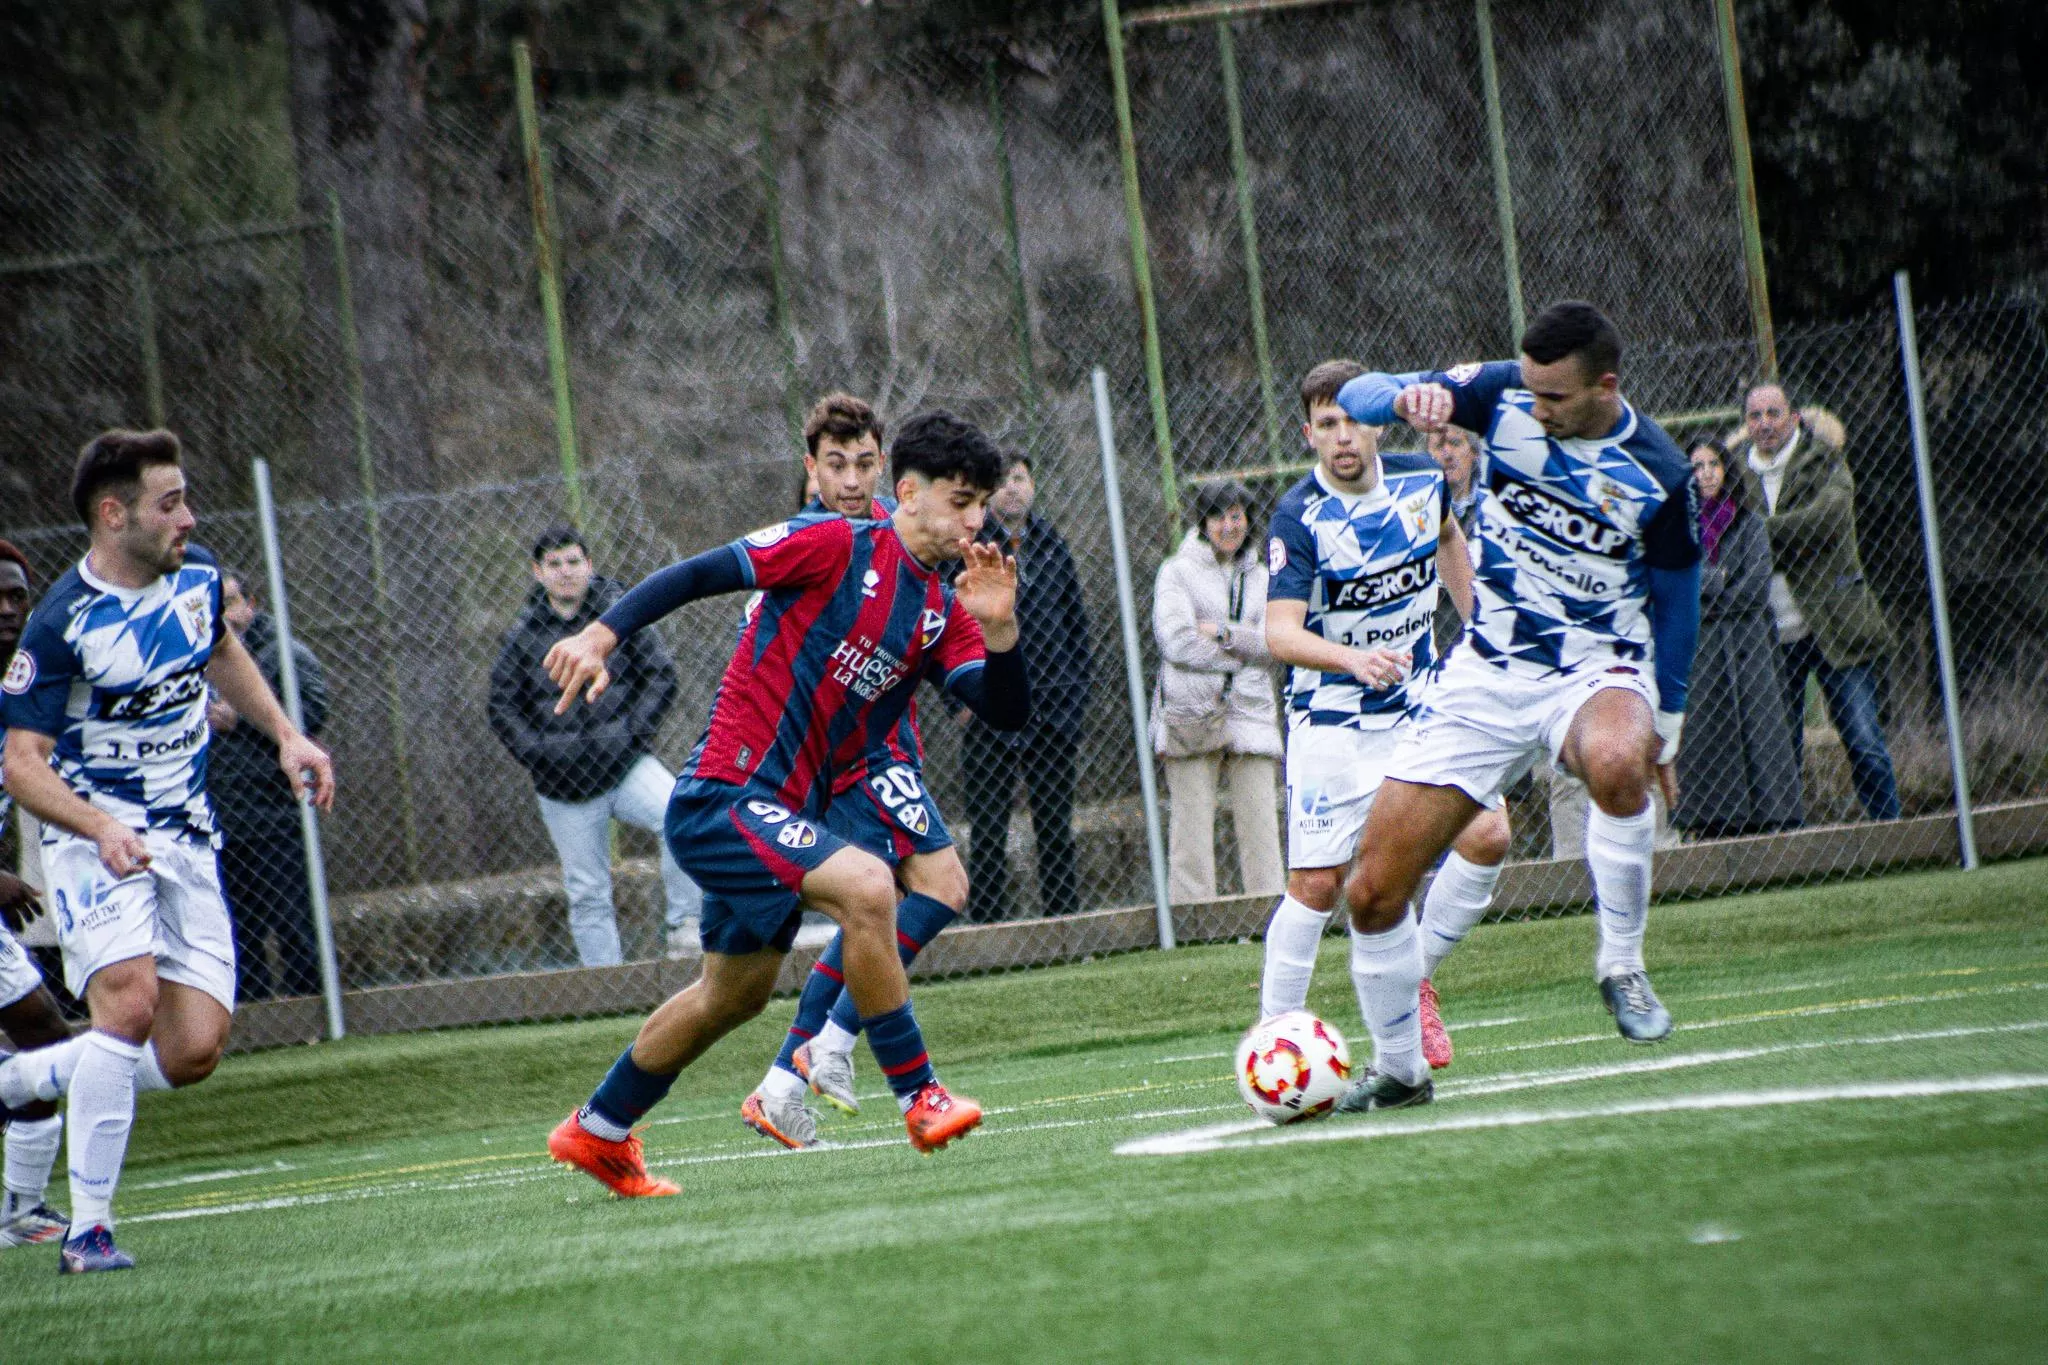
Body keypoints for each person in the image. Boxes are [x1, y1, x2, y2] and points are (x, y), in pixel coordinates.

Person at [540, 411, 1029, 1197]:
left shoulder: (945, 602)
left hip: (783, 818)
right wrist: (603, 633)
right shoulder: (834, 543)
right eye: (962, 500)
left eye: (983, 503)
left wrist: (1001, 631)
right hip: (723, 796)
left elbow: (1003, 711)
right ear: (907, 492)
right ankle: (920, 1095)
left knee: (729, 997)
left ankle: (596, 1129)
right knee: (870, 885)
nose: (978, 520)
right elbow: (701, 572)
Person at [1330, 300, 1702, 1111]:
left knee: (1613, 761)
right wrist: (1403, 396)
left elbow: (1678, 603)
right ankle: (1399, 1068)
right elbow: (1355, 396)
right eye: (1529, 391)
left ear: (1606, 385)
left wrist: (1664, 729)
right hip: (1487, 672)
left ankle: (1622, 964)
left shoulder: (1660, 473)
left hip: (1597, 666)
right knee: (1371, 890)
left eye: (1556, 398)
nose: (1536, 407)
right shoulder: (1501, 394)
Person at [0, 429, 335, 1272]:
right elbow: (21, 764)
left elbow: (219, 649)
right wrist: (100, 826)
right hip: (96, 842)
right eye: (169, 501)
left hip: (186, 838)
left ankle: (18, 1083)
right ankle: (90, 1230)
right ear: (114, 515)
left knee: (190, 1052)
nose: (187, 516)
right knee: (128, 1002)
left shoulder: (194, 579)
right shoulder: (59, 625)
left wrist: (287, 734)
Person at [1258, 361, 1511, 1076]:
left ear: (1376, 423)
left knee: (1489, 833)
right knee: (1316, 884)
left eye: (1353, 420)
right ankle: (1275, 1040)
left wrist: (1481, 630)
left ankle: (1416, 976)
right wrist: (1350, 659)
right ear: (1308, 434)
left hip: (1421, 708)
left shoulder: (1420, 482)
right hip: (1332, 720)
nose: (1342, 437)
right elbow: (1280, 632)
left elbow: (1448, 542)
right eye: (1326, 424)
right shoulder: (1297, 516)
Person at [744, 392, 978, 1143]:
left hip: (887, 745)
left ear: (889, 469)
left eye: (865, 464)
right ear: (810, 471)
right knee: (935, 886)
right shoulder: (811, 545)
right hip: (848, 756)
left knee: (884, 906)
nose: (851, 480)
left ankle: (784, 1080)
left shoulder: (901, 527)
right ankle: (837, 1049)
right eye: (835, 465)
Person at [489, 525, 701, 966]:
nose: (565, 573)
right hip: (562, 788)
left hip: (625, 767)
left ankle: (684, 931)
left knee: (680, 816)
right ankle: (607, 987)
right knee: (587, 891)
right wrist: (541, 755)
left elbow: (661, 675)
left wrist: (630, 736)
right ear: (537, 572)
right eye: (554, 564)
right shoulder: (522, 636)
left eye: (573, 562)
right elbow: (502, 707)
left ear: (589, 565)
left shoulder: (619, 616)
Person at [1735, 384, 1902, 822]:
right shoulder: (1735, 475)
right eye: (1755, 415)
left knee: (1863, 739)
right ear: (1746, 424)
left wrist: (1756, 536)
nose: (1765, 423)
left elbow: (1825, 523)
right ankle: (1788, 841)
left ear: (1793, 418)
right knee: (1780, 750)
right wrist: (1789, 540)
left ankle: (1891, 830)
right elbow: (1721, 536)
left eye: (1774, 413)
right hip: (1771, 636)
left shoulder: (1825, 460)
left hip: (1833, 625)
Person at [960, 449, 1093, 921]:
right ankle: (987, 932)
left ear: (1032, 485)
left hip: (1053, 710)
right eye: (1001, 480)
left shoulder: (1054, 545)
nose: (1012, 488)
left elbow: (1078, 630)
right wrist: (960, 699)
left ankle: (1065, 928)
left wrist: (1074, 699)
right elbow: (946, 627)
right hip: (988, 710)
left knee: (1056, 829)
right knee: (988, 830)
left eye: (1020, 478)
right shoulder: (973, 549)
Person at [1151, 478, 1284, 904]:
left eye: (1237, 515)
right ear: (1203, 522)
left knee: (1261, 825)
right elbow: (1176, 641)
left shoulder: (1264, 577)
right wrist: (1244, 652)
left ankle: (1268, 914)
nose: (1229, 525)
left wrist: (1224, 633)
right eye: (1218, 516)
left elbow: (1276, 642)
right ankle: (1193, 923)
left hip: (1251, 711)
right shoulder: (1177, 572)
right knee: (1190, 829)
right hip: (1192, 713)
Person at [208, 569, 328, 1001]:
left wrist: (243, 720)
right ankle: (253, 1016)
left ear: (250, 604)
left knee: (295, 922)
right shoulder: (186, 658)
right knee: (237, 928)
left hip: (274, 811)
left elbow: (313, 711)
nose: (226, 614)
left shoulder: (283, 654)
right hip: (216, 817)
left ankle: (312, 1009)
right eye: (215, 605)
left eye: (232, 602)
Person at [0, 540, 73, 1250]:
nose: (7, 608)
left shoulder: (19, 686)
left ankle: (22, 1210)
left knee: (45, 1037)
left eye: (17, 595)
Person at [1675, 440, 1803, 837]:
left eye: (1714, 464)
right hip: (1703, 651)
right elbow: (1682, 583)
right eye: (1698, 466)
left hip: (1751, 646)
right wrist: (1720, 579)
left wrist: (1709, 590)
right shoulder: (1679, 529)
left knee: (1761, 732)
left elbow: (1754, 588)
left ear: (1727, 469)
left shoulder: (1749, 524)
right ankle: (1712, 824)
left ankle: (1772, 820)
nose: (1708, 472)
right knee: (1707, 736)